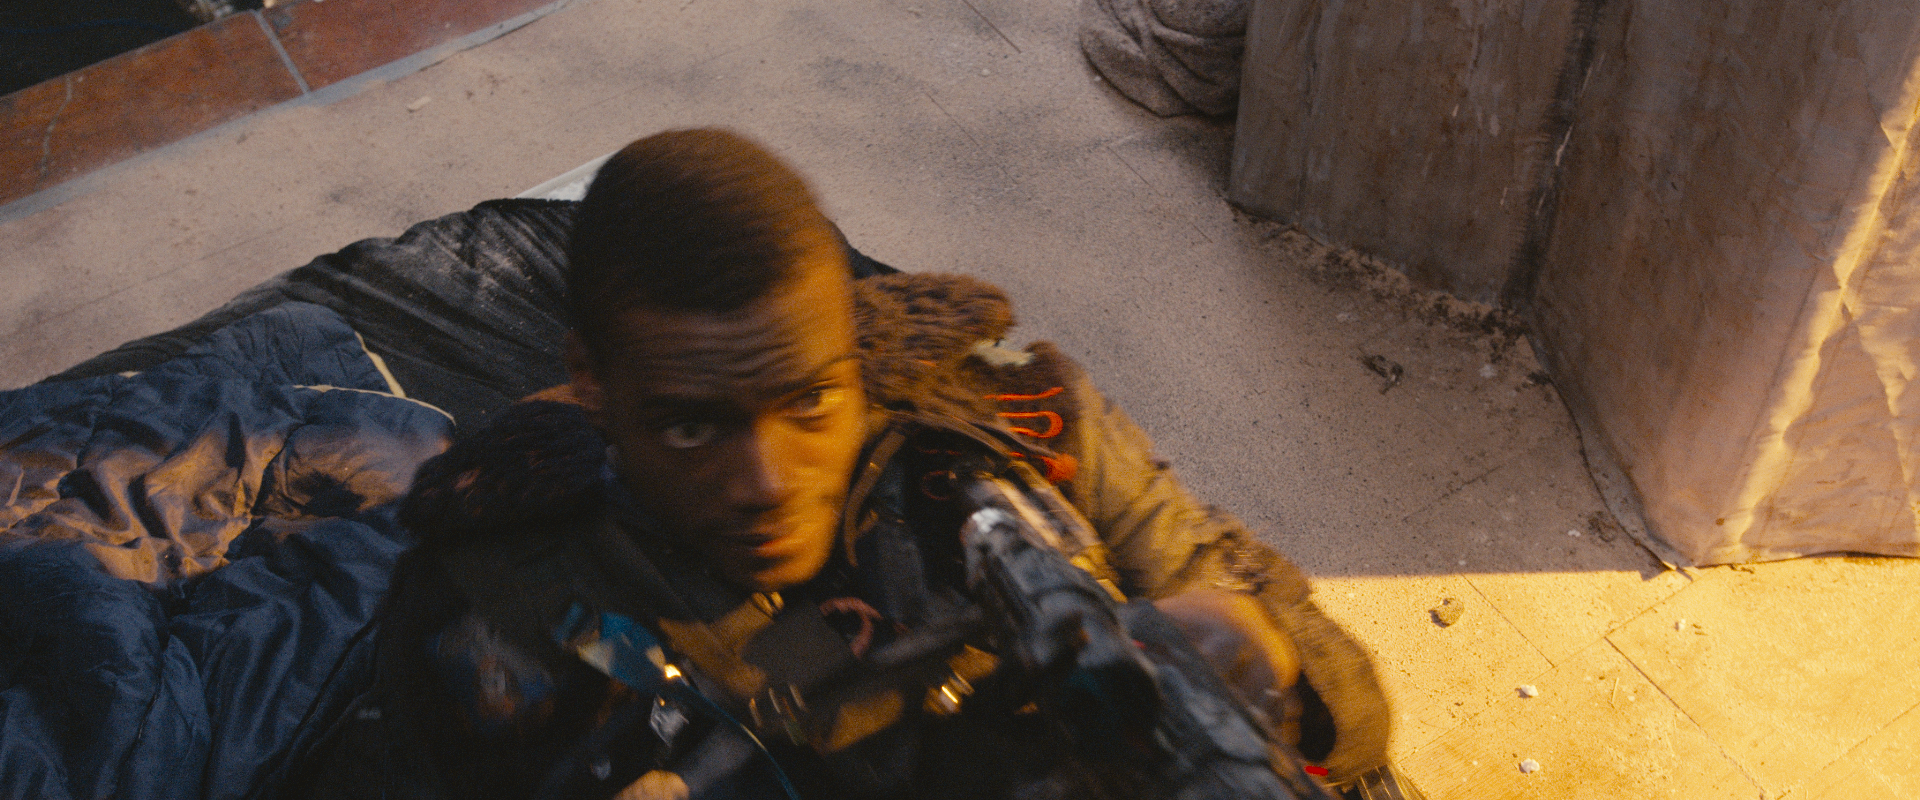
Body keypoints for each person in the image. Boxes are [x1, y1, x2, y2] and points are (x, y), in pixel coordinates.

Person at [291, 128, 1414, 800]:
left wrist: (1261, 650)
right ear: (593, 381)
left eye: (810, 402)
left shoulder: (1013, 421)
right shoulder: (496, 603)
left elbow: (1351, 704)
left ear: (855, 353)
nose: (768, 480)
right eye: (692, 427)